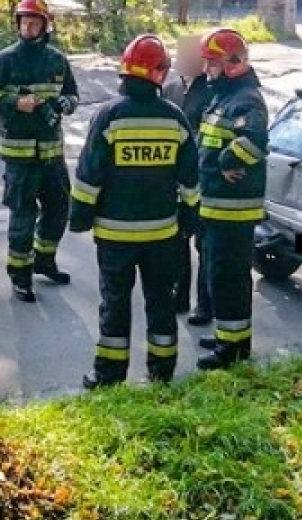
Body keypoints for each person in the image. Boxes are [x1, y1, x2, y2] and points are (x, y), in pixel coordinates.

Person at [69, 34, 199, 388]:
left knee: (115, 304)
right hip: (162, 235)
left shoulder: (109, 117)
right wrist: (189, 217)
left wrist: (79, 216)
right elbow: (190, 178)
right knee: (161, 302)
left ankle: (109, 376)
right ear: (161, 73)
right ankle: (162, 372)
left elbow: (88, 175)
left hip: (115, 235)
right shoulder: (175, 119)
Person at [0, 0, 80, 302]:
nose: (29, 27)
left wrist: (65, 103)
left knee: (60, 208)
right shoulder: (5, 59)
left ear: (45, 26)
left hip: (52, 154)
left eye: (35, 22)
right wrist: (13, 103)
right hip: (20, 157)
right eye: (25, 22)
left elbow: (74, 96)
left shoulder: (58, 60)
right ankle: (20, 275)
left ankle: (44, 260)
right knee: (22, 216)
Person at [193, 27, 269, 371]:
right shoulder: (223, 96)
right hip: (214, 205)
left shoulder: (246, 99)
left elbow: (253, 142)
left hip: (233, 212)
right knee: (217, 276)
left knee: (230, 278)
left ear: (233, 64)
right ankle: (228, 336)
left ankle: (234, 349)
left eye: (213, 63)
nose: (207, 70)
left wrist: (227, 161)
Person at [174, 48, 216, 324]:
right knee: (178, 241)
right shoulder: (171, 89)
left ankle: (205, 305)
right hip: (176, 179)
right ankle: (179, 295)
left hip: (203, 178)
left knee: (204, 245)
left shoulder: (211, 93)